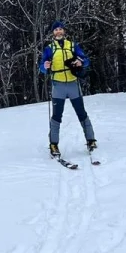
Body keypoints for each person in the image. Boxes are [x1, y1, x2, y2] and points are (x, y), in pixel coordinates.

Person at [38, 20, 97, 157]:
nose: (58, 32)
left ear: (64, 31)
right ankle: (53, 144)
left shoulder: (72, 45)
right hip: (58, 85)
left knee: (81, 113)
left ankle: (91, 140)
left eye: (60, 29)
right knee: (57, 116)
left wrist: (80, 62)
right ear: (53, 33)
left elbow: (86, 60)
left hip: (73, 84)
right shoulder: (49, 48)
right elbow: (42, 67)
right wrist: (45, 66)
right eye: (55, 30)